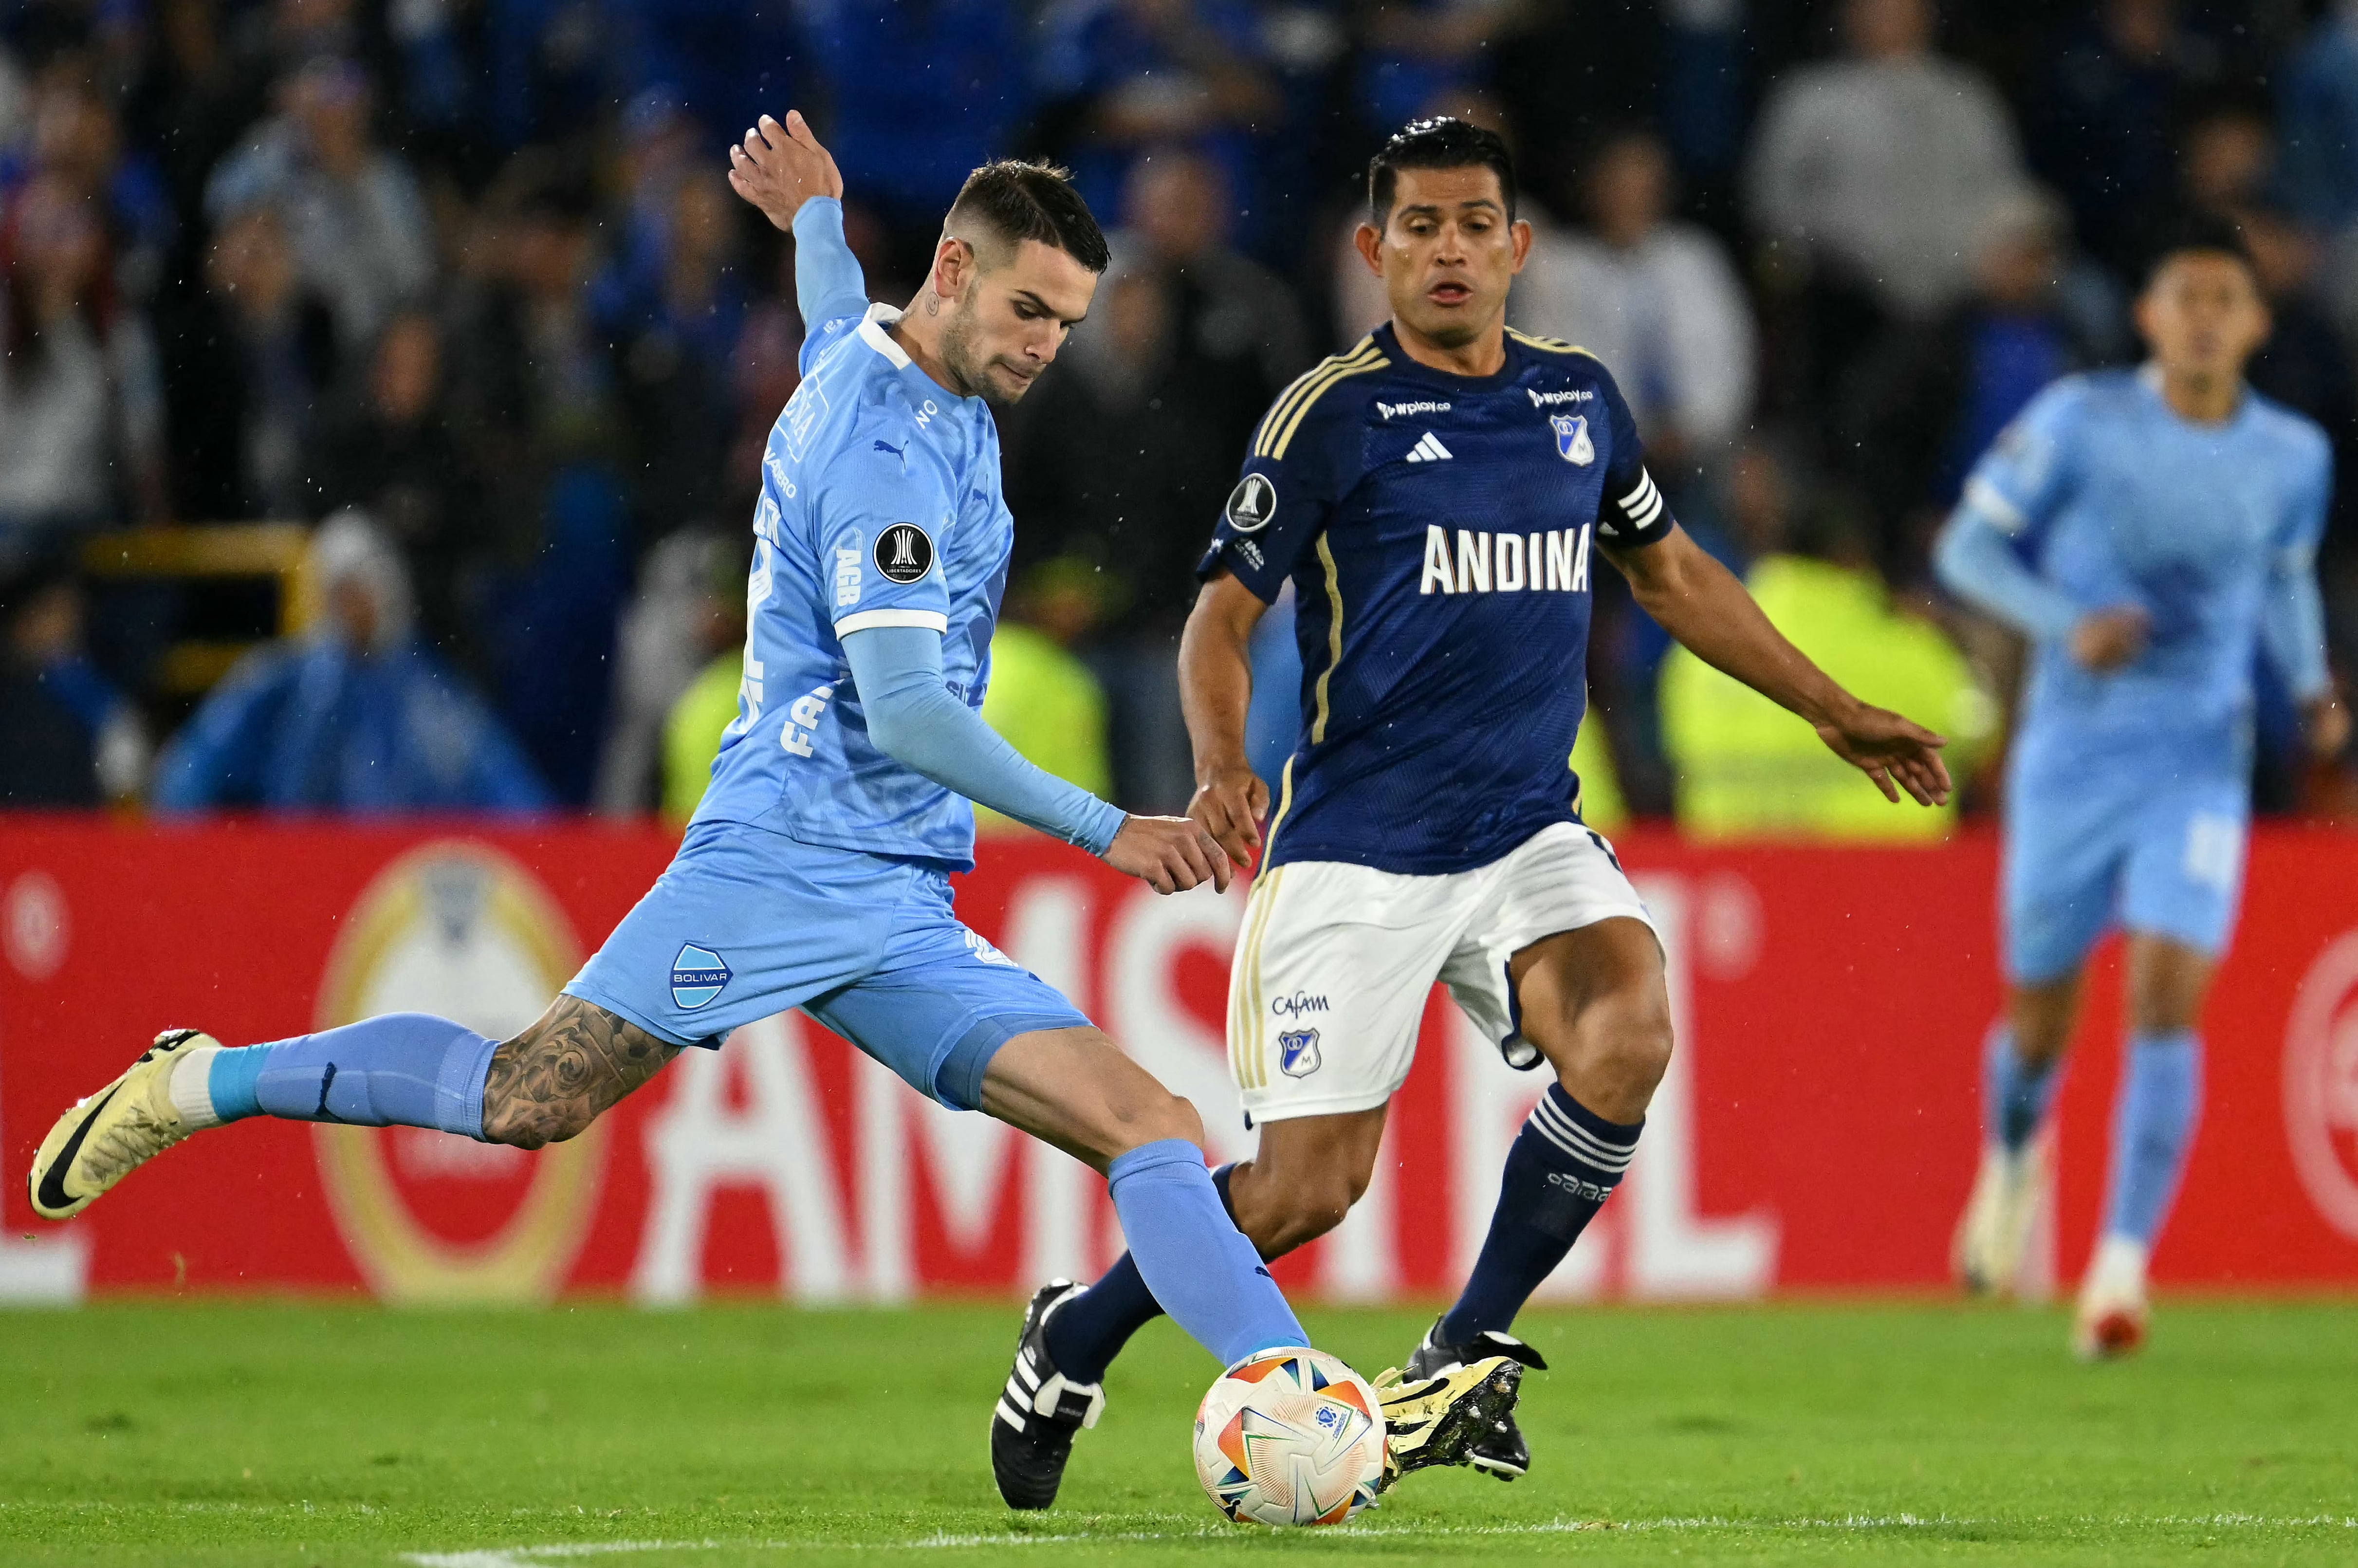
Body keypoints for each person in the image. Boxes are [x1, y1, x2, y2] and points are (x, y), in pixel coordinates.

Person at [27, 111, 1515, 1509]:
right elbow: (908, 711)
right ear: (956, 272)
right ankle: (199, 1079)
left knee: (1156, 1121)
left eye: (1063, 321)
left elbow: (829, 311)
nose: (1046, 348)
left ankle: (1299, 1388)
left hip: (893, 898)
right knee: (524, 1095)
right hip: (778, 860)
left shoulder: (898, 357)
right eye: (1029, 315)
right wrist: (1106, 826)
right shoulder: (883, 449)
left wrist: (813, 217)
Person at [1015, 116, 1953, 1494]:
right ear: (1371, 251)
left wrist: (1828, 704)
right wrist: (1222, 764)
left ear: (1518, 247)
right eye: (1418, 227)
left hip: (1523, 828)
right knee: (1299, 1196)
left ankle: (1461, 1348)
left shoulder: (1577, 401)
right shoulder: (1330, 414)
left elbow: (1671, 571)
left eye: (1472, 225)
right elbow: (1216, 620)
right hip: (1359, 850)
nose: (1446, 249)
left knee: (1629, 1031)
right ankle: (1076, 1334)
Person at [1934, 215, 2346, 1359]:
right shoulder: (2080, 421)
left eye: (2228, 299)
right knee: (2038, 1025)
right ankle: (2016, 1155)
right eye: (2187, 296)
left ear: (2256, 323)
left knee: (2168, 994)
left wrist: (2312, 685)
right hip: (2071, 762)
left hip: (2196, 764)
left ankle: (2118, 1273)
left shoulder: (2294, 455)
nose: (2207, 317)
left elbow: (2285, 578)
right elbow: (1967, 551)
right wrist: (2070, 627)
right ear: (2151, 316)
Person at [146, 512, 551, 815]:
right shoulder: (289, 678)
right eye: (340, 595)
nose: (352, 609)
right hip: (304, 869)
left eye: (360, 592)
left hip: (394, 878)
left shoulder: (427, 691)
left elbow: (500, 779)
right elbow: (197, 766)